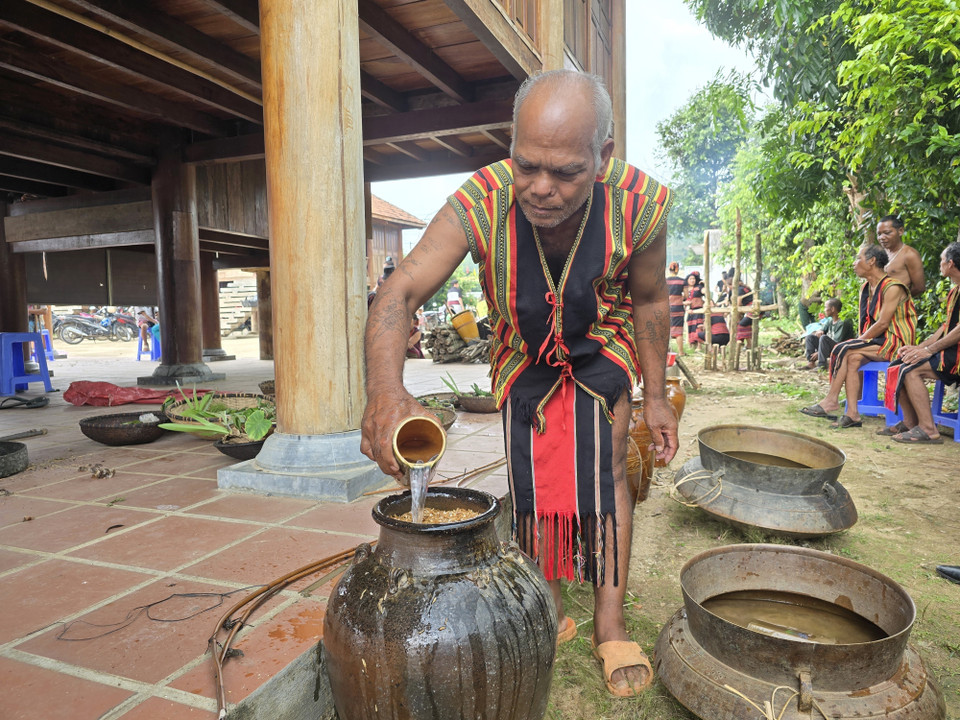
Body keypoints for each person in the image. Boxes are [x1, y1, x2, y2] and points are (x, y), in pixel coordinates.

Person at [361, 69, 677, 697]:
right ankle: (548, 604)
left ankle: (609, 623)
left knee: (607, 467)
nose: (541, 189)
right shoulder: (479, 201)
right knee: (531, 476)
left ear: (603, 158)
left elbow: (648, 301)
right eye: (527, 165)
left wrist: (657, 395)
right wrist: (386, 391)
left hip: (599, 350)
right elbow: (400, 289)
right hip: (520, 354)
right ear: (511, 145)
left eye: (566, 173)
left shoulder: (642, 203)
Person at [800, 244, 916, 428]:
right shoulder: (865, 288)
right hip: (876, 342)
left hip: (895, 343)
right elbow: (867, 323)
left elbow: (883, 323)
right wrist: (859, 341)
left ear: (871, 261)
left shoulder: (893, 287)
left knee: (843, 348)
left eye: (858, 258)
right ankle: (853, 414)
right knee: (852, 358)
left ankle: (831, 400)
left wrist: (858, 341)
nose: (854, 263)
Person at [881, 241, 960, 443]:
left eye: (942, 260)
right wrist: (921, 347)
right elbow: (946, 327)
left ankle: (928, 429)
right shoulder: (955, 290)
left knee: (911, 369)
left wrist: (929, 350)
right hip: (950, 351)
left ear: (950, 264)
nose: (940, 264)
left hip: (956, 356)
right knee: (899, 363)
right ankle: (910, 422)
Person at [877, 215, 925, 297]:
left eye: (887, 233)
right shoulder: (880, 253)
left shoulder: (910, 254)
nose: (882, 237)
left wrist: (897, 299)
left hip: (900, 307)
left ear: (900, 231)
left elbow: (919, 287)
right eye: (879, 234)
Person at [804, 298, 854, 370]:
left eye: (825, 307)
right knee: (810, 337)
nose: (824, 310)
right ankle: (811, 363)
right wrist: (820, 331)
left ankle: (822, 365)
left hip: (841, 349)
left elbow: (837, 343)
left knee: (823, 338)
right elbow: (823, 330)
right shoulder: (830, 320)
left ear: (833, 309)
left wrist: (819, 353)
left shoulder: (843, 322)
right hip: (830, 347)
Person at [666, 261, 685, 354]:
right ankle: (681, 352)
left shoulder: (664, 281)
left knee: (666, 329)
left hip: (667, 307)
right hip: (678, 308)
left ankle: (667, 351)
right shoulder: (682, 281)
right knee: (679, 330)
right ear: (677, 269)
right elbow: (685, 295)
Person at [683, 272, 704, 348]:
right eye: (690, 279)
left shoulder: (699, 287)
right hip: (689, 311)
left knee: (698, 327)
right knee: (690, 328)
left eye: (694, 278)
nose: (692, 280)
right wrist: (685, 303)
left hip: (699, 310)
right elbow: (681, 299)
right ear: (687, 280)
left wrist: (704, 285)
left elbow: (704, 292)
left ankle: (699, 346)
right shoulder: (684, 289)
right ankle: (691, 345)